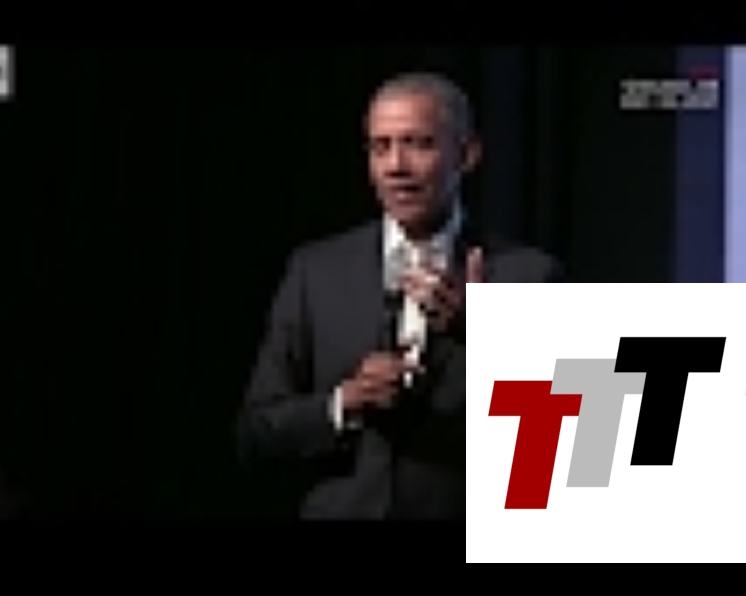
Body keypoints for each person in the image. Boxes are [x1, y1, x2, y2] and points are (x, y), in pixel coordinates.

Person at [236, 71, 564, 519]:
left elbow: (560, 447)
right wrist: (343, 403)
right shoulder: (316, 271)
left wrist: (481, 334)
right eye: (380, 147)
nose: (396, 166)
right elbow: (256, 432)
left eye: (419, 144)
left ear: (467, 154)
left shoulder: (530, 277)